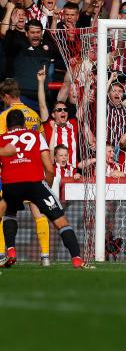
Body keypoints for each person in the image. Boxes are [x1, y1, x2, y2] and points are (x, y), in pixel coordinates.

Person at [0, 110, 89, 269]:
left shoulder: (1, 139)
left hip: (11, 185)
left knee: (9, 214)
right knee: (61, 221)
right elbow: (49, 168)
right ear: (24, 124)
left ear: (7, 125)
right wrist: (45, 186)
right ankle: (76, 259)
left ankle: (11, 251)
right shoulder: (35, 135)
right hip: (35, 183)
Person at [0, 74, 51, 266]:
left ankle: (3, 254)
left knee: (5, 213)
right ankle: (45, 256)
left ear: (6, 96)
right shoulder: (34, 114)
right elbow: (42, 142)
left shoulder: (4, 117)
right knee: (39, 212)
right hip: (34, 171)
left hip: (11, 172)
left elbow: (2, 146)